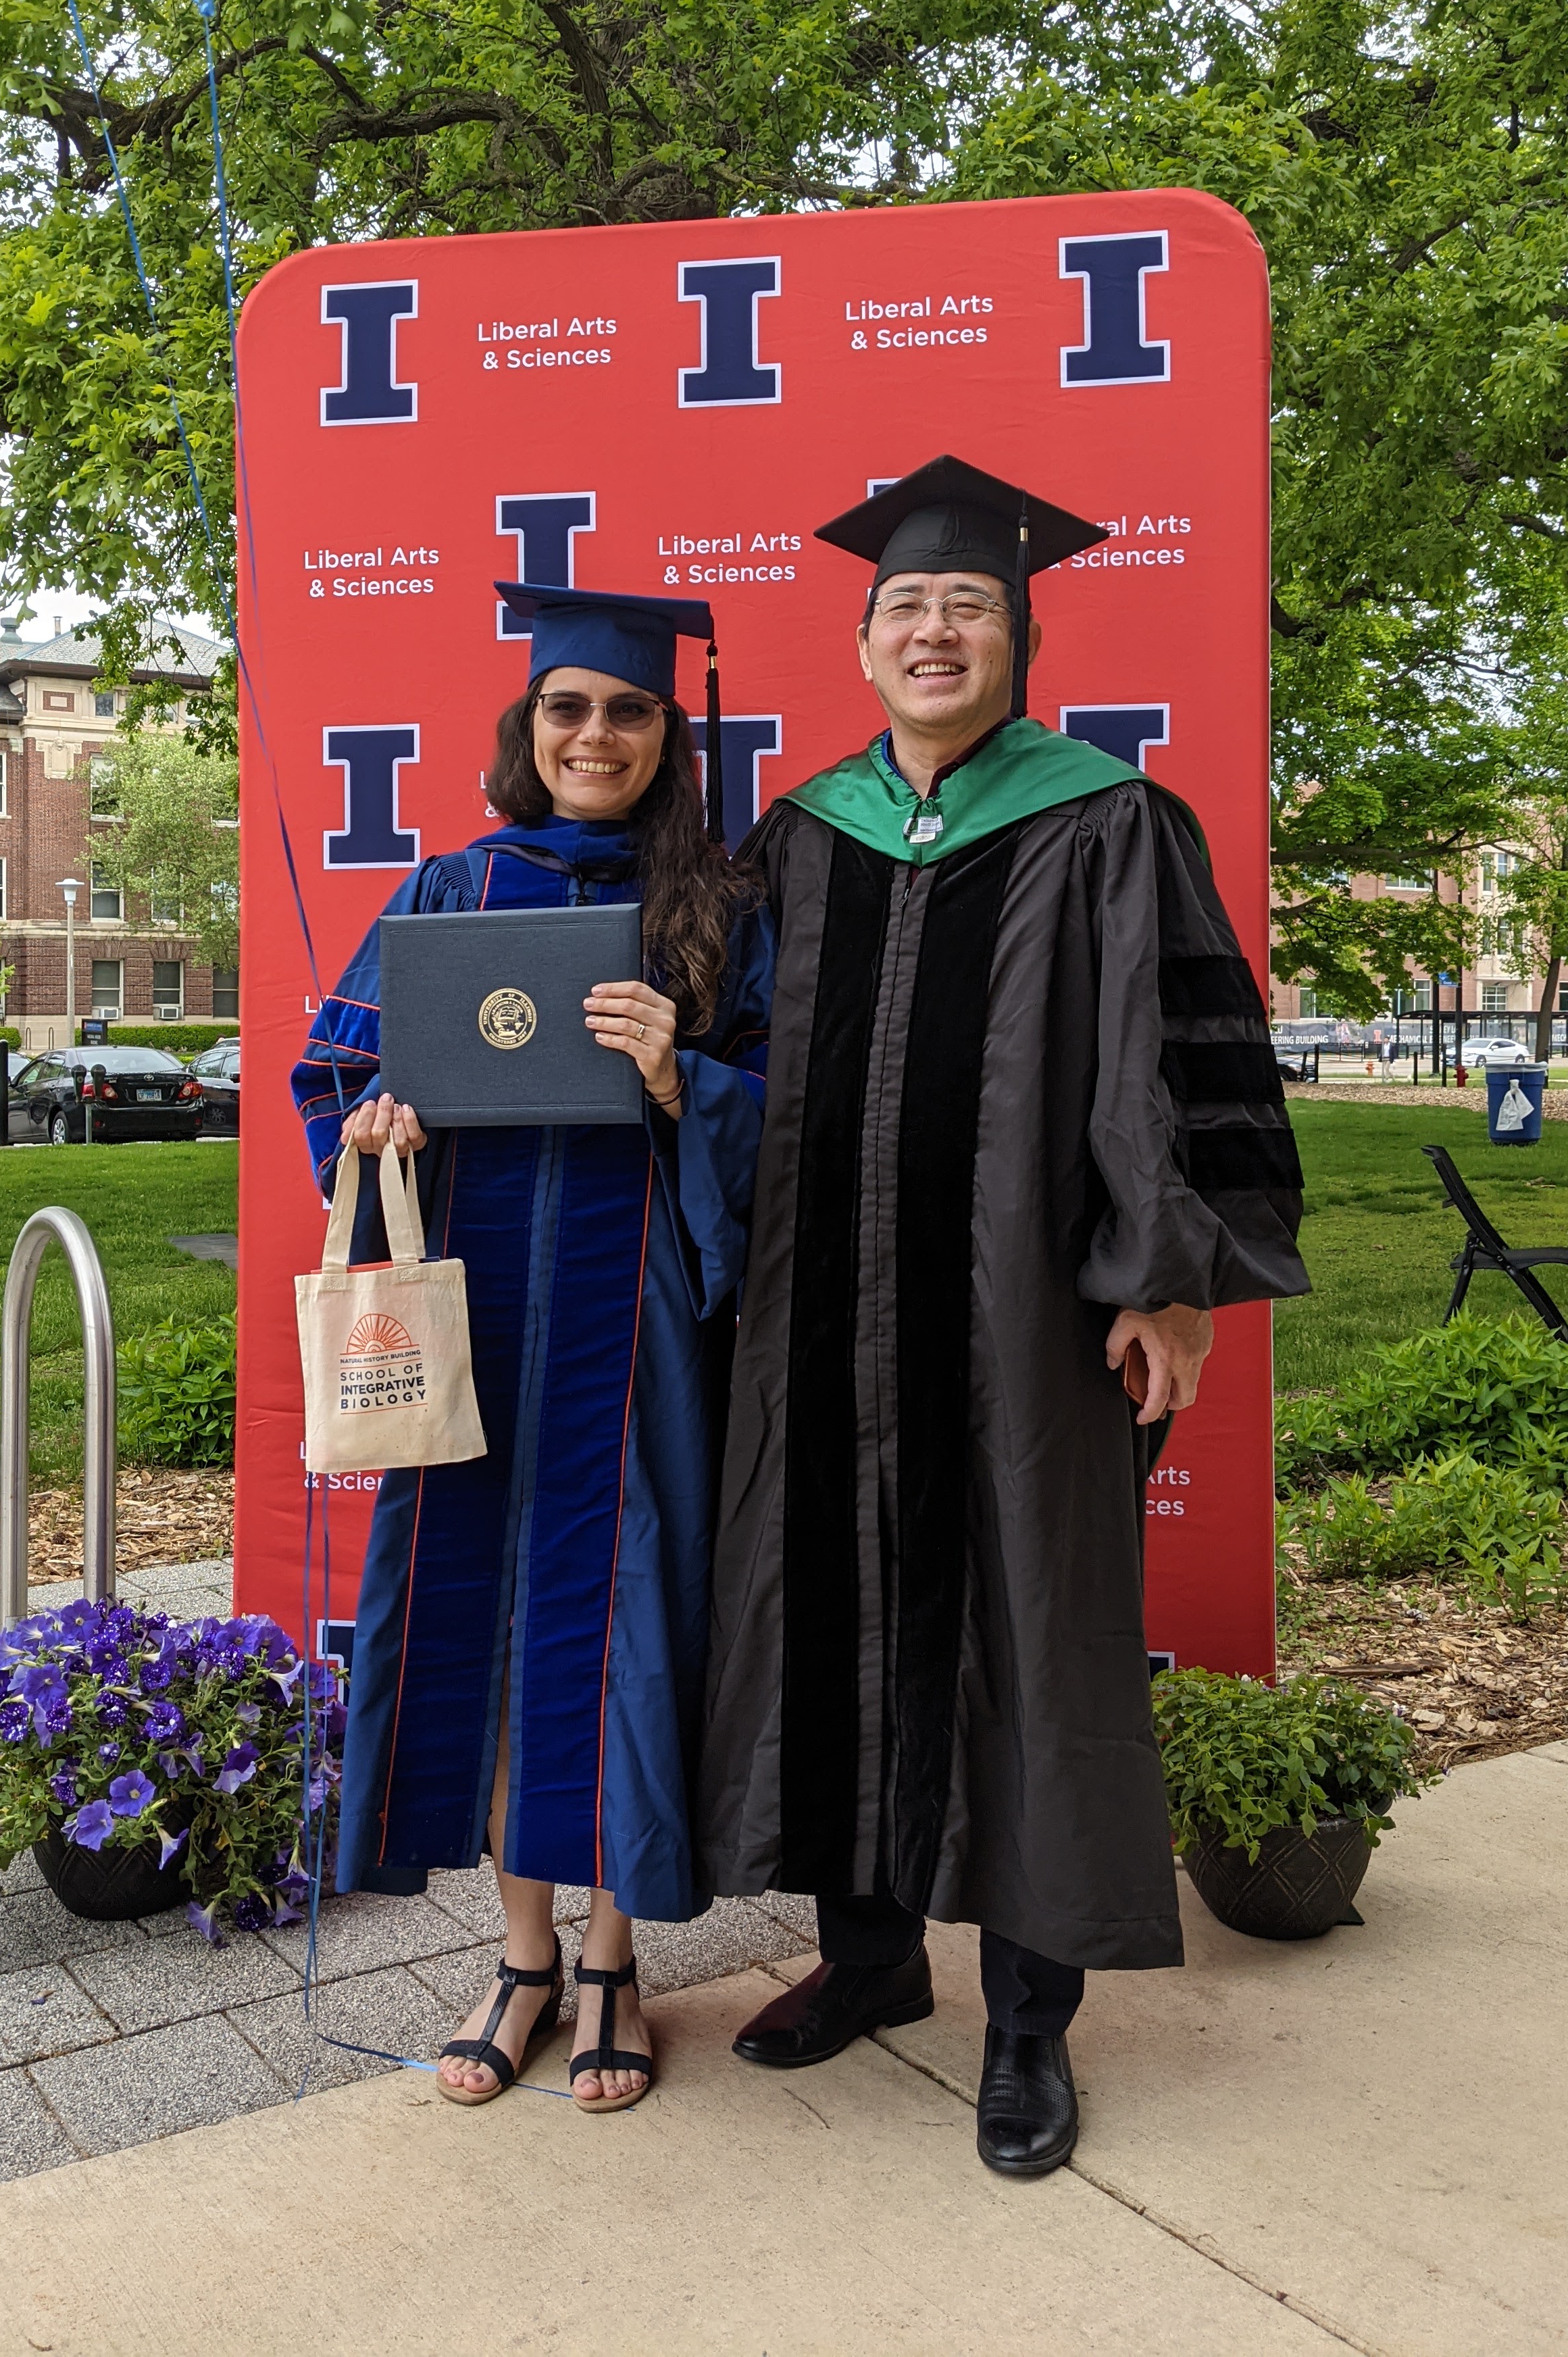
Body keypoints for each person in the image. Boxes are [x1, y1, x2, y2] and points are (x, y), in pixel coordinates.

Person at [697, 455, 1309, 2177]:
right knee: (827, 1613)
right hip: (819, 1319)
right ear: (864, 643)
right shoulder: (800, 834)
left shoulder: (1110, 821)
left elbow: (1185, 1067)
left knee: (1035, 1629)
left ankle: (1031, 2020)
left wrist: (1171, 1282)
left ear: (1020, 637)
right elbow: (730, 1059)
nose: (935, 630)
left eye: (968, 604)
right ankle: (873, 1958)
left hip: (1027, 1321)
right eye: (906, 605)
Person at [293, 584, 772, 2117]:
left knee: (629, 1630)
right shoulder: (451, 888)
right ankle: (520, 1957)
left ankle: (613, 1961)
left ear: (666, 735)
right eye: (569, 708)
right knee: (491, 1632)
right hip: (478, 1324)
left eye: (628, 711)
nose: (596, 735)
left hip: (640, 1336)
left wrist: (683, 1078)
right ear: (530, 726)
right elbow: (333, 1069)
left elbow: (789, 1116)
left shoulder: (718, 912)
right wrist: (376, 1126)